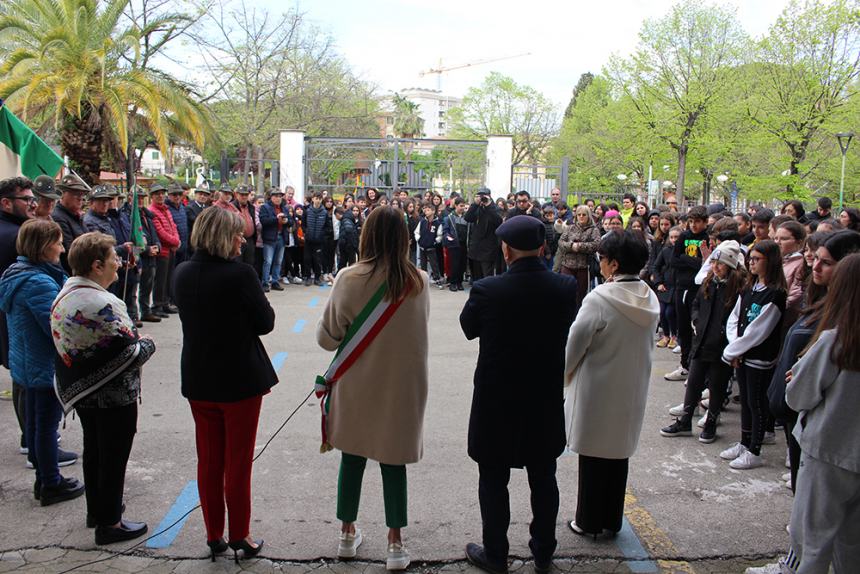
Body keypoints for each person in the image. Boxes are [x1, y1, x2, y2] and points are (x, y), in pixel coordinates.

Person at [460, 216, 578, 574]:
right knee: (544, 475)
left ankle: (495, 554)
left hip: (497, 399)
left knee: (493, 478)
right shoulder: (564, 286)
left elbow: (468, 328)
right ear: (543, 248)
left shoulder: (487, 290)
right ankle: (544, 551)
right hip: (543, 397)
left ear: (506, 250)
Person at [316, 206, 429, 571]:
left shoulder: (349, 278)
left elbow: (327, 338)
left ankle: (347, 534)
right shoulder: (419, 281)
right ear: (404, 238)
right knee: (393, 461)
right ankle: (395, 544)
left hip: (357, 383)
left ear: (365, 235)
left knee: (352, 455)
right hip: (402, 387)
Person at [173, 207, 277, 562]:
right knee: (238, 462)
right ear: (221, 236)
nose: (242, 240)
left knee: (209, 461)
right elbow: (266, 323)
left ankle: (214, 534)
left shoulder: (182, 272)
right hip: (239, 380)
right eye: (236, 235)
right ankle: (240, 535)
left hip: (199, 379)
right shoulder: (241, 275)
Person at [51, 232, 156, 544]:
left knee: (94, 450)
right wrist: (148, 344)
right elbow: (132, 350)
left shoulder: (65, 294)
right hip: (112, 395)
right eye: (114, 260)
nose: (119, 265)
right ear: (97, 266)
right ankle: (110, 523)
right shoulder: (101, 302)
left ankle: (97, 509)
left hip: (81, 393)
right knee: (112, 455)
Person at [563, 230, 660, 538]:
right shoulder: (649, 296)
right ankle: (611, 519)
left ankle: (588, 521)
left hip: (598, 388)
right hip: (631, 387)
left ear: (614, 264)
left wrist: (564, 374)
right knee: (618, 455)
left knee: (592, 457)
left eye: (602, 259)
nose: (600, 264)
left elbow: (576, 343)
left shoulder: (600, 298)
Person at [781, 253, 860, 574]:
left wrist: (798, 374)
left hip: (826, 452)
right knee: (852, 547)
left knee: (810, 543)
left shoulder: (834, 341)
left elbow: (798, 397)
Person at [0, 219, 83, 505]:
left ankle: (44, 475)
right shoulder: (36, 281)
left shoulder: (21, 273)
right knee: (45, 426)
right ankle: (50, 482)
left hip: (28, 361)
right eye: (59, 243)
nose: (62, 249)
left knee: (36, 424)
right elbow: (57, 326)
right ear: (45, 246)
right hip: (41, 364)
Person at [660, 241, 746, 442]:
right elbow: (697, 303)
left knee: (717, 385)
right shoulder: (710, 281)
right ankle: (685, 421)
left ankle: (710, 424)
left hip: (722, 344)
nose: (715, 267)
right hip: (702, 340)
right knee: (694, 382)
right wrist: (696, 320)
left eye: (720, 263)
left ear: (731, 265)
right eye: (714, 262)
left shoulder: (737, 287)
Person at [721, 240, 787, 470]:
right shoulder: (748, 288)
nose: (751, 263)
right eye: (750, 258)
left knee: (757, 402)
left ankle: (755, 449)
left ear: (771, 262)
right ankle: (745, 440)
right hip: (742, 354)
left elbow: (759, 330)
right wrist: (734, 349)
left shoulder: (775, 295)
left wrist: (734, 351)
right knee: (747, 403)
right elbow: (734, 319)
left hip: (759, 357)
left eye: (757, 259)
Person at [0, 177, 38, 446]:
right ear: (6, 202)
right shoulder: (16, 235)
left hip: (10, 314)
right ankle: (32, 438)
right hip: (16, 315)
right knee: (26, 376)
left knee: (21, 374)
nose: (32, 205)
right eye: (26, 200)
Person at [665, 205, 709, 382]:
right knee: (682, 327)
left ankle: (695, 368)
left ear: (705, 222)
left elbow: (705, 264)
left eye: (697, 222)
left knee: (696, 328)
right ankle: (684, 365)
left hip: (697, 289)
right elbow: (674, 260)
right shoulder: (684, 236)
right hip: (681, 287)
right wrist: (694, 261)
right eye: (690, 221)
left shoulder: (707, 238)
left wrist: (687, 259)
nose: (693, 225)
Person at [557, 205, 602, 308]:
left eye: (584, 215)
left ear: (588, 216)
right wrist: (572, 246)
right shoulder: (570, 228)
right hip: (567, 265)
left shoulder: (593, 230)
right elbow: (561, 242)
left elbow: (596, 245)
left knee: (581, 294)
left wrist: (580, 246)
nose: (581, 217)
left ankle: (578, 314)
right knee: (566, 291)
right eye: (579, 215)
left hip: (584, 267)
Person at [148, 184, 180, 316]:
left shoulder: (166, 209)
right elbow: (160, 232)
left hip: (171, 249)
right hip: (162, 250)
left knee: (168, 278)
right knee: (160, 280)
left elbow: (173, 226)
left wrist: (176, 240)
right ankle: (157, 305)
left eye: (162, 193)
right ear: (152, 196)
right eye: (157, 194)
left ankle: (165, 303)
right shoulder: (153, 211)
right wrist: (175, 241)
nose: (160, 196)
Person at [51, 174, 89, 273]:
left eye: (82, 194)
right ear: (63, 194)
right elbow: (69, 252)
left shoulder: (76, 217)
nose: (80, 198)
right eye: (76, 194)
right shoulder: (58, 218)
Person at [652, 226, 681, 349]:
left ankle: (674, 335)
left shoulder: (684, 251)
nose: (674, 240)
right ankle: (666, 335)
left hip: (677, 286)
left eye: (676, 237)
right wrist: (658, 282)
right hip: (666, 286)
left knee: (670, 312)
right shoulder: (665, 250)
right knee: (662, 312)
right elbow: (656, 267)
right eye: (672, 237)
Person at [464, 189, 502, 281]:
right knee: (476, 276)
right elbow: (468, 218)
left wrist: (488, 205)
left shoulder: (495, 208)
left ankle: (487, 294)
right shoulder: (477, 207)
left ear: (489, 196)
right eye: (479, 196)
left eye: (483, 196)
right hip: (475, 247)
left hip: (488, 248)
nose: (482, 198)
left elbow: (498, 221)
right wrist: (475, 204)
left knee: (487, 275)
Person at [258, 189, 290, 292]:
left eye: (280, 196)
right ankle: (265, 283)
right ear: (271, 197)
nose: (278, 198)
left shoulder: (284, 208)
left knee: (278, 261)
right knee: (268, 261)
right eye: (276, 196)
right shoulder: (265, 207)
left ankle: (275, 281)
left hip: (281, 237)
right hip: (270, 238)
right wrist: (276, 219)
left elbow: (291, 221)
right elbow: (263, 221)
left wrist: (286, 221)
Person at [441, 197, 468, 291]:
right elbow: (445, 231)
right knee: (454, 264)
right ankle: (453, 282)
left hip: (464, 244)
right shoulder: (449, 218)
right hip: (454, 244)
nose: (462, 208)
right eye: (461, 206)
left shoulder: (466, 217)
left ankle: (460, 282)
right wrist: (449, 238)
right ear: (456, 205)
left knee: (462, 264)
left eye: (464, 206)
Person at [233, 185, 257, 268]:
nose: (244, 197)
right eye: (241, 195)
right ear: (236, 195)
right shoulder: (232, 206)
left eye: (246, 195)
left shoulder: (251, 207)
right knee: (237, 263)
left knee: (250, 264)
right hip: (237, 240)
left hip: (250, 240)